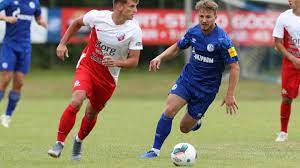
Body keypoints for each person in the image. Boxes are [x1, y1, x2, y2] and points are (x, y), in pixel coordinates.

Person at [141, 0, 240, 158]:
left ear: (215, 16)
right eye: (201, 16)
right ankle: (154, 150)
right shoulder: (193, 32)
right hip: (187, 81)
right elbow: (177, 47)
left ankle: (196, 122)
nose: (204, 20)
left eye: (208, 16)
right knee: (169, 110)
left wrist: (229, 94)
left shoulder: (223, 41)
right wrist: (160, 57)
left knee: (184, 128)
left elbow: (235, 67)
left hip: (206, 90)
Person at [47, 0, 142, 161]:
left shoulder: (134, 30)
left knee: (91, 113)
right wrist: (62, 44)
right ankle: (59, 143)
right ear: (119, 6)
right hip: (88, 67)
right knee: (77, 100)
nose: (136, 10)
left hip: (108, 78)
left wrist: (116, 62)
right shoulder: (97, 17)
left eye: (136, 6)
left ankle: (78, 141)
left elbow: (134, 61)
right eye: (132, 6)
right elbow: (76, 23)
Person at [0, 0, 47, 128]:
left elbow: (38, 17)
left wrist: (41, 22)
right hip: (9, 45)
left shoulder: (34, 2)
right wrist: (6, 18)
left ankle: (7, 115)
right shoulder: (10, 1)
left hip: (25, 47)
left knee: (19, 82)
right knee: (5, 79)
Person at [272, 0, 300, 142]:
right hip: (291, 64)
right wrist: (293, 58)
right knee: (287, 98)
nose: (289, 0)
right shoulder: (284, 17)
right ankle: (283, 132)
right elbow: (277, 42)